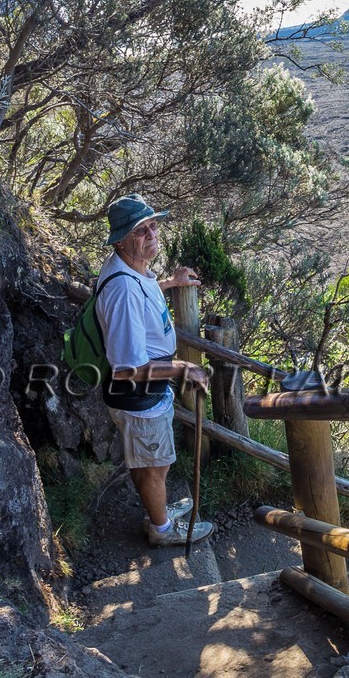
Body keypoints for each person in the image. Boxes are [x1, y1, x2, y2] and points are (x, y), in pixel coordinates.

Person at [97, 193, 214, 547]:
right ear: (120, 239)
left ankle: (156, 509)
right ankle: (162, 530)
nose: (152, 233)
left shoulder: (129, 269)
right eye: (140, 230)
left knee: (147, 460)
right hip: (138, 396)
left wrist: (169, 283)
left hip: (144, 396)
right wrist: (183, 369)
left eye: (153, 224)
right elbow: (126, 369)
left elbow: (141, 291)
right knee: (155, 465)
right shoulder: (122, 292)